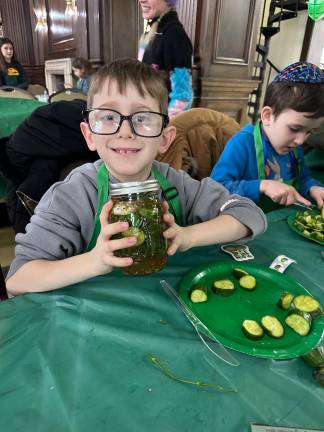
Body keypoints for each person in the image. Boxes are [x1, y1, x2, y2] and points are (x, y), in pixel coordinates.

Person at [6, 58, 266, 296]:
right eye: (108, 117)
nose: (126, 131)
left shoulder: (178, 185)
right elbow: (18, 278)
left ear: (165, 139)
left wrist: (188, 236)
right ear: (89, 135)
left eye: (143, 118)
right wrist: (96, 260)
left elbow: (249, 214)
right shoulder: (71, 196)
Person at [210, 62, 324, 212]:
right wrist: (261, 186)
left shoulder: (294, 148)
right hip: (244, 226)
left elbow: (303, 179)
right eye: (294, 128)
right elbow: (214, 191)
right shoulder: (242, 143)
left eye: (310, 131)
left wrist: (312, 187)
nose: (301, 140)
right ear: (268, 116)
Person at [138, 0, 193, 117]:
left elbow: (183, 97)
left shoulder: (174, 35)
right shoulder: (154, 31)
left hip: (158, 124)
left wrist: (163, 126)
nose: (141, 0)